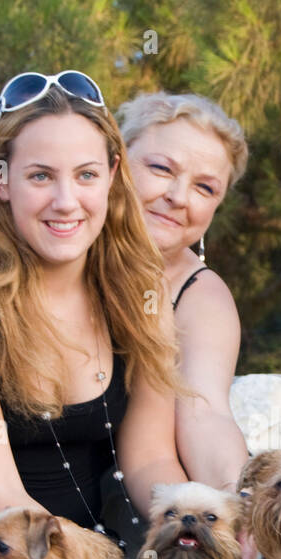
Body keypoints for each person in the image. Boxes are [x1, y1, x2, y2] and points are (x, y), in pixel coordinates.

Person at [0, 71, 187, 544]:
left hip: (100, 556)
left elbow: (150, 460)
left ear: (113, 175)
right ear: (0, 178)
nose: (65, 202)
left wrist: (204, 531)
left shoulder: (140, 292)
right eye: (40, 176)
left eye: (86, 175)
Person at [117, 91, 251, 492]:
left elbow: (205, 412)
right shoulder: (57, 251)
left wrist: (237, 499)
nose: (177, 197)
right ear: (115, 162)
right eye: (161, 168)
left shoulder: (200, 294)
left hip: (145, 495)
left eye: (205, 188)